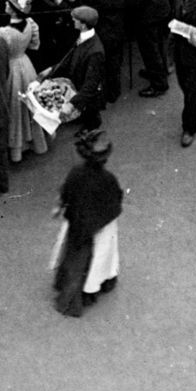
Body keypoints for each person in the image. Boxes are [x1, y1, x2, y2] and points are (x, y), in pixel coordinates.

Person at [49, 131, 121, 314]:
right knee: (101, 258)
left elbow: (66, 193)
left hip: (77, 224)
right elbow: (115, 202)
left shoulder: (76, 173)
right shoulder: (108, 179)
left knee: (73, 255)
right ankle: (94, 288)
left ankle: (68, 287)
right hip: (100, 226)